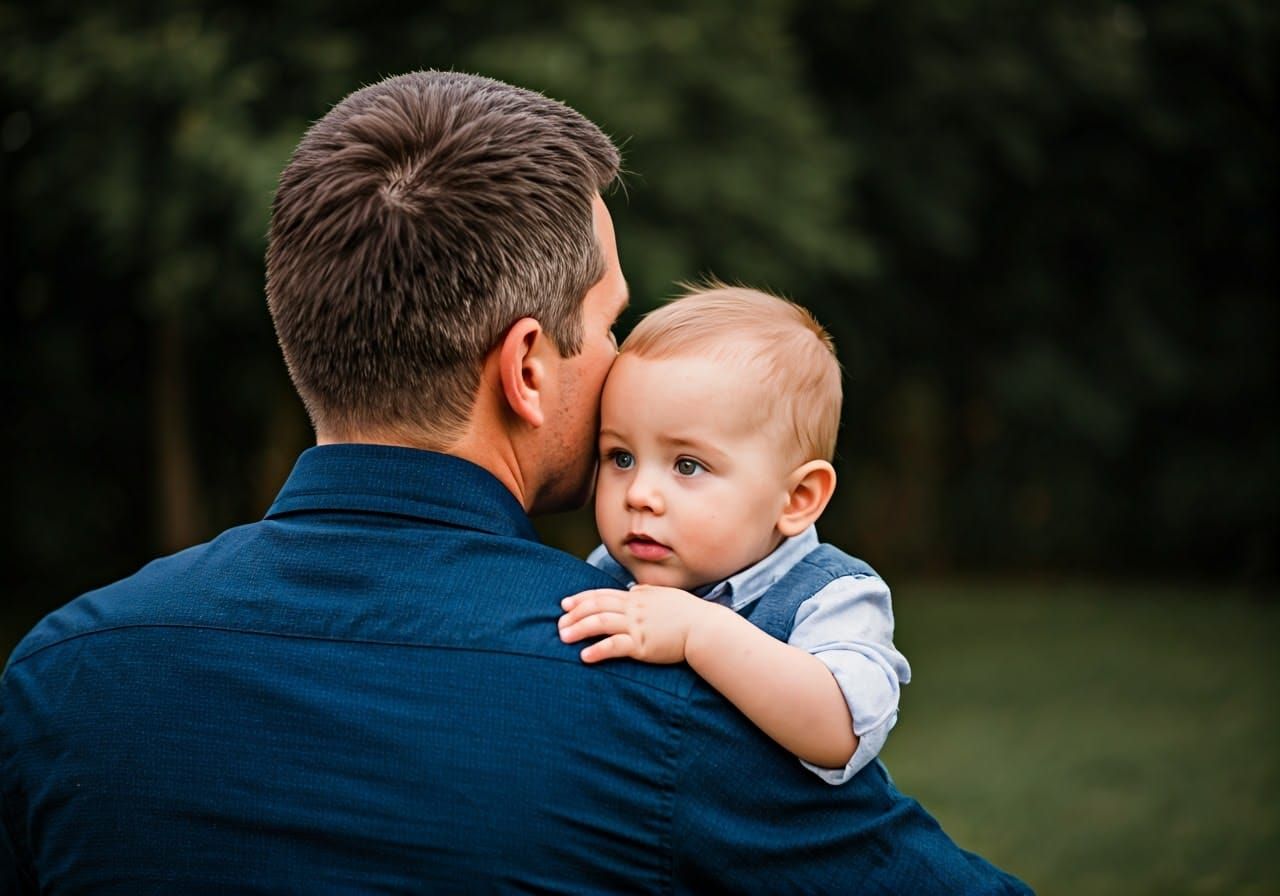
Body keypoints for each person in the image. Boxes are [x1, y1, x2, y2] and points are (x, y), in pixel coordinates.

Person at [0, 70, 1031, 892]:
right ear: (528, 367)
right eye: (611, 322)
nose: (622, 359)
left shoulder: (65, 674)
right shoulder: (653, 686)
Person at [558, 285, 908, 785]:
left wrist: (700, 633)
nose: (639, 494)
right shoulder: (606, 575)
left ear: (797, 498)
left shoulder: (831, 598)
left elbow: (841, 730)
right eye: (621, 457)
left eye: (687, 464)